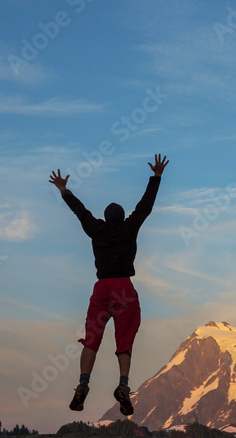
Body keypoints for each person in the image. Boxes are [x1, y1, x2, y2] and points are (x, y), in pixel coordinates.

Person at [48, 154, 169, 416]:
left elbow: (80, 211)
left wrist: (64, 189)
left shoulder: (96, 229)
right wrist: (156, 176)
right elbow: (145, 206)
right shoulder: (129, 228)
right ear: (123, 217)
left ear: (104, 218)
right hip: (124, 288)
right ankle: (123, 385)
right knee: (124, 341)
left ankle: (82, 385)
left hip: (101, 288)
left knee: (92, 340)